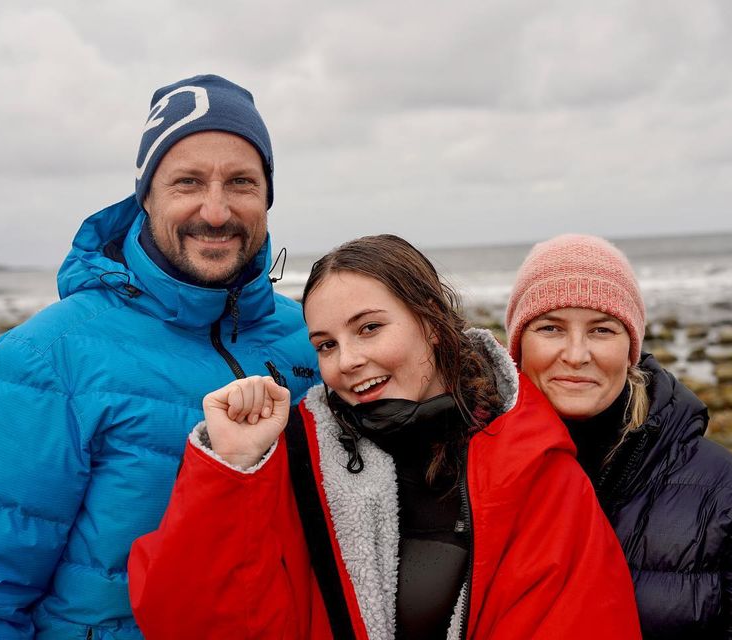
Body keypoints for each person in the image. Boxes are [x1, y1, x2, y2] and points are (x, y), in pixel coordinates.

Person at [0, 74, 319, 638]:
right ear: (147, 196)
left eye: (241, 182)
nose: (215, 210)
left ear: (266, 197)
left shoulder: (309, 337)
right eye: (187, 182)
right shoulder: (44, 361)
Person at [128, 234, 642, 639]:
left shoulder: (533, 463)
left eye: (369, 328)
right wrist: (232, 467)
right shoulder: (295, 456)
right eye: (326, 345)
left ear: (433, 324)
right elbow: (192, 623)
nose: (348, 361)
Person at [505, 234, 732, 640]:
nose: (577, 355)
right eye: (550, 328)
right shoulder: (464, 472)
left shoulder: (731, 499)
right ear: (517, 347)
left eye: (601, 330)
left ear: (631, 347)